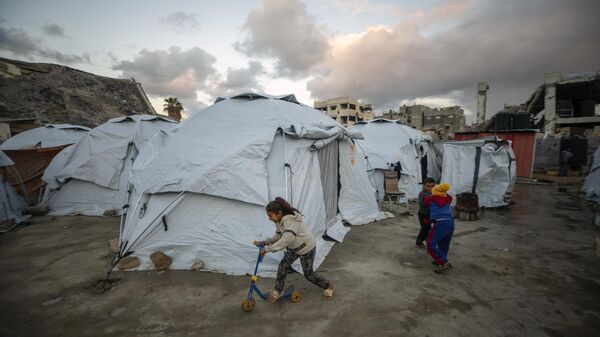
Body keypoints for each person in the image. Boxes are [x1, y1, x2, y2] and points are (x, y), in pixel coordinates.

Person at [253, 197, 335, 302]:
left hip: (307, 248)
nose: (269, 218)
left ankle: (329, 285)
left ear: (278, 213)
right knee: (283, 266)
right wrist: (265, 242)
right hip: (294, 248)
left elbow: (286, 239)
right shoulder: (279, 221)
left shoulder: (291, 221)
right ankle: (278, 291)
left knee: (308, 274)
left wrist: (268, 249)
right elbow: (278, 236)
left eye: (270, 215)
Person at [424, 183, 455, 274]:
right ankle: (440, 260)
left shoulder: (430, 198)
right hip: (450, 221)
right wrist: (441, 191)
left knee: (430, 243)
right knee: (444, 243)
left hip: (441, 222)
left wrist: (432, 193)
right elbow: (449, 197)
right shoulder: (447, 198)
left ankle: (443, 262)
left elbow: (425, 201)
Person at [416, 178, 436, 247]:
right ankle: (429, 241)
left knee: (425, 228)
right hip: (423, 214)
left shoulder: (436, 193)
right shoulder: (422, 194)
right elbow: (421, 204)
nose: (430, 188)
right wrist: (429, 198)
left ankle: (419, 241)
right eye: (428, 186)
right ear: (424, 186)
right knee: (425, 228)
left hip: (431, 214)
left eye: (432, 186)